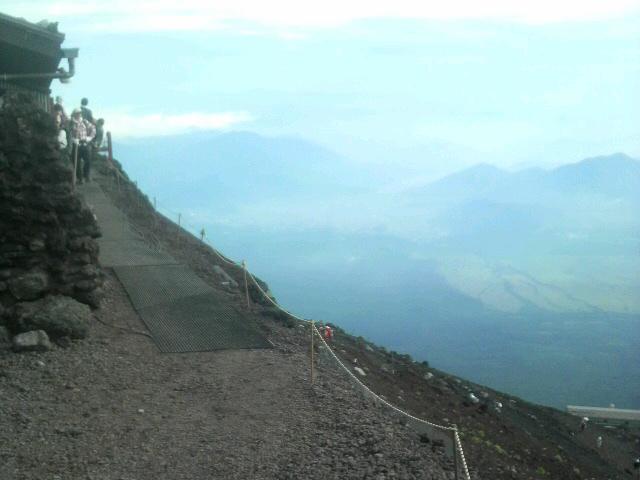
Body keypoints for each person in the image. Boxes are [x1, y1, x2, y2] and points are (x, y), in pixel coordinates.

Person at [69, 108, 96, 183]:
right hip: (76, 144)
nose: (79, 115)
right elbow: (69, 132)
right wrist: (73, 139)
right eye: (77, 113)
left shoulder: (84, 121)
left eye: (80, 113)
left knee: (88, 160)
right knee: (76, 162)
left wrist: (89, 138)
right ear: (74, 114)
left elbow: (93, 128)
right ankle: (79, 178)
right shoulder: (71, 122)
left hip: (85, 143)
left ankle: (86, 176)